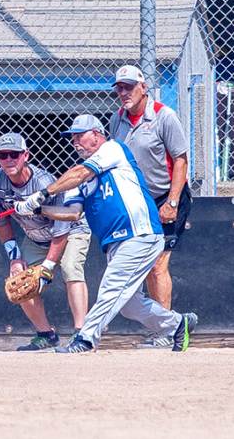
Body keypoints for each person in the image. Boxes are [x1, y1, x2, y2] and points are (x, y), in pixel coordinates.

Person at [14, 115, 197, 353]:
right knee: (129, 305)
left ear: (98, 135)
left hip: (138, 233)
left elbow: (79, 173)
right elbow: (71, 213)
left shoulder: (112, 149)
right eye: (72, 138)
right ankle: (177, 324)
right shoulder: (80, 179)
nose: (75, 142)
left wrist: (42, 194)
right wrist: (35, 209)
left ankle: (86, 339)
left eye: (80, 136)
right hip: (115, 242)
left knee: (110, 287)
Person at [109, 65, 191, 348]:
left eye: (129, 86)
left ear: (144, 87)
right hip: (135, 203)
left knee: (157, 265)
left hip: (165, 197)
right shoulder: (116, 119)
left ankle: (168, 332)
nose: (123, 93)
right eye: (119, 87)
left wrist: (172, 201)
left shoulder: (164, 116)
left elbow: (180, 160)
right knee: (141, 267)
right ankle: (165, 326)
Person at [0, 132, 90, 351]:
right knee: (20, 281)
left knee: (71, 269)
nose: (9, 160)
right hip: (36, 236)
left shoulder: (44, 182)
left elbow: (62, 226)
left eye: (14, 154)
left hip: (70, 231)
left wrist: (48, 266)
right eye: (3, 155)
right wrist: (14, 259)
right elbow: (1, 224)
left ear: (26, 155)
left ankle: (83, 334)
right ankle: (46, 334)